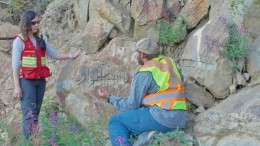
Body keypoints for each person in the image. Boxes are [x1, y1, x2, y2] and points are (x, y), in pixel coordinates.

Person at [98, 38, 187, 146]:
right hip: (180, 119)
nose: (136, 55)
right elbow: (174, 83)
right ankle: (151, 136)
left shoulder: (145, 72)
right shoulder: (170, 61)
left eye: (137, 52)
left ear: (142, 55)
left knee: (115, 121)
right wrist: (139, 85)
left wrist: (109, 97)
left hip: (162, 118)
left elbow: (131, 105)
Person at [12, 10, 81, 140]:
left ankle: (35, 140)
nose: (37, 25)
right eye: (34, 23)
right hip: (26, 82)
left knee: (35, 114)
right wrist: (17, 86)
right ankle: (29, 142)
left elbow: (54, 54)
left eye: (38, 22)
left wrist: (71, 56)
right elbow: (15, 66)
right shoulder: (19, 41)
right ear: (27, 23)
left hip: (40, 82)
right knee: (29, 114)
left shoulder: (40, 39)